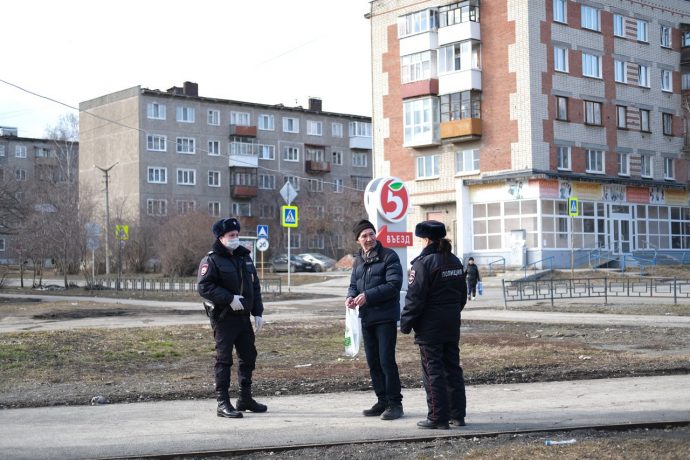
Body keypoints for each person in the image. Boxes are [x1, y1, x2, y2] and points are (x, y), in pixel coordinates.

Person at [401, 220, 468, 429]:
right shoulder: (455, 261)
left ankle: (437, 418)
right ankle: (457, 415)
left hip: (429, 328)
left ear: (426, 239)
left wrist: (405, 323)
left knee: (433, 371)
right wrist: (450, 313)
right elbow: (462, 296)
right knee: (452, 369)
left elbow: (415, 298)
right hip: (451, 325)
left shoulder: (423, 264)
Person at [197, 217, 267, 419]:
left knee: (248, 357)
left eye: (237, 235)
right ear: (221, 237)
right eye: (231, 236)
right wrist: (228, 298)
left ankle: (245, 398)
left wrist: (258, 312)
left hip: (244, 318)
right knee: (224, 360)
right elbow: (204, 287)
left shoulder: (244, 257)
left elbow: (255, 286)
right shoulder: (211, 260)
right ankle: (222, 402)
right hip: (224, 318)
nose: (235, 238)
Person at [346, 219, 404, 421]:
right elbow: (353, 284)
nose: (369, 239)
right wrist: (350, 297)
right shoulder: (358, 260)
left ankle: (395, 404)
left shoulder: (389, 256)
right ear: (358, 240)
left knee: (386, 360)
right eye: (364, 236)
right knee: (373, 361)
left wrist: (368, 295)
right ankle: (382, 400)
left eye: (371, 234)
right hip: (366, 317)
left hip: (385, 317)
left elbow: (394, 284)